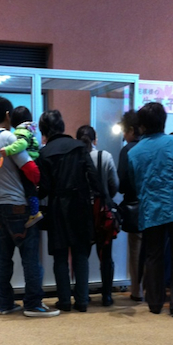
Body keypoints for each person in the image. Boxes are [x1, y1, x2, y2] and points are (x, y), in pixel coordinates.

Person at [0, 96, 59, 317]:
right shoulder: (7, 138)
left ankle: (4, 303)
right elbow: (30, 169)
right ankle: (33, 304)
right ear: (7, 115)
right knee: (30, 257)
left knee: (3, 258)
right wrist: (39, 179)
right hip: (19, 207)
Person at [128, 102, 173, 317]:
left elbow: (134, 182)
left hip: (151, 208)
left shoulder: (134, 152)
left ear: (141, 125)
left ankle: (154, 303)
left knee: (153, 255)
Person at [38, 110, 100, 312]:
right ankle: (82, 300)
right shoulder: (79, 147)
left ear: (44, 131)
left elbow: (44, 188)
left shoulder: (44, 153)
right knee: (81, 254)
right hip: (81, 204)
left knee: (60, 256)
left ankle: (64, 300)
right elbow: (93, 176)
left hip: (57, 207)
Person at [76, 124, 119, 306]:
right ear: (95, 140)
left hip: (81, 212)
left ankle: (82, 295)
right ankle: (107, 296)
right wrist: (106, 197)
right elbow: (114, 184)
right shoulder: (105, 156)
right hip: (102, 212)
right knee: (106, 255)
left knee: (81, 256)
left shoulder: (75, 158)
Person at [0, 106, 44, 229]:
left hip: (29, 162)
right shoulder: (29, 129)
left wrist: (8, 150)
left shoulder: (21, 131)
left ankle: (34, 213)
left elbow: (22, 143)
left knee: (30, 189)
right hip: (34, 160)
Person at [117, 110, 143, 302]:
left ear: (132, 130)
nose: (124, 135)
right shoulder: (154, 146)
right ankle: (153, 290)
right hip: (156, 206)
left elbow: (122, 182)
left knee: (136, 250)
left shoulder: (128, 150)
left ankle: (137, 290)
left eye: (125, 131)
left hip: (135, 205)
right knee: (153, 251)